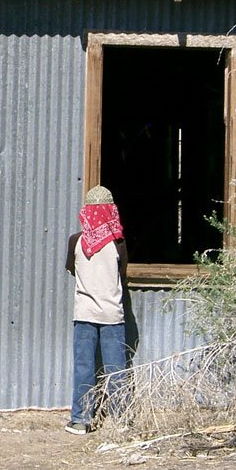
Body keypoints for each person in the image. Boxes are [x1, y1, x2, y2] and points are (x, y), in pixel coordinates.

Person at [64, 185, 129, 435]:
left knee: (84, 367)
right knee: (116, 370)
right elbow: (122, 274)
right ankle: (120, 420)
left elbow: (71, 268)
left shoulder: (76, 241)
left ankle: (81, 419)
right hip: (113, 314)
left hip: (84, 314)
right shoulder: (119, 242)